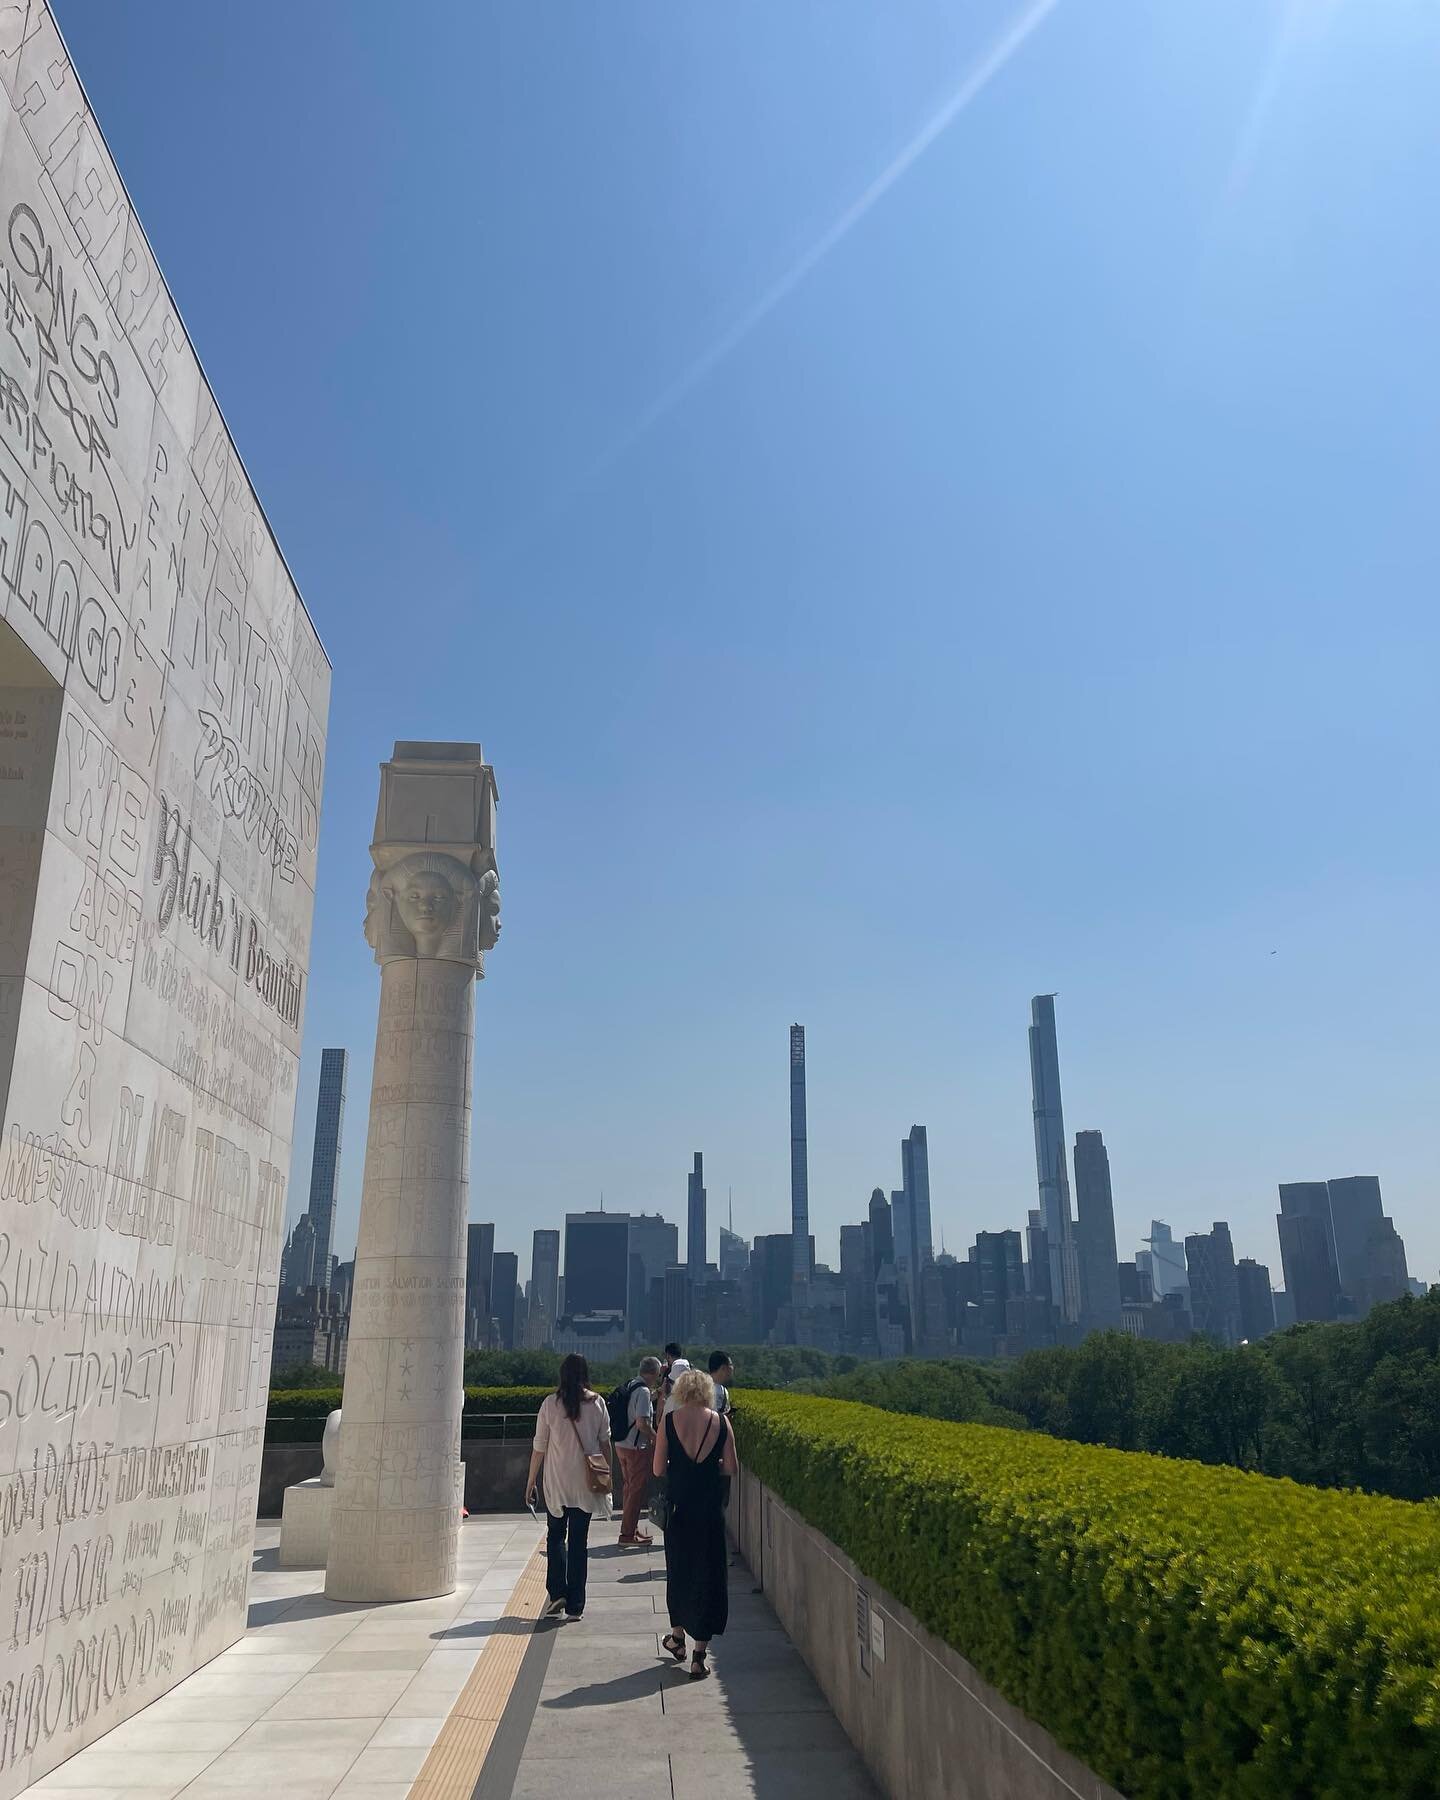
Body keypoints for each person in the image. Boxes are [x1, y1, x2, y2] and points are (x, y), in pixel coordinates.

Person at [653, 1365, 737, 1681]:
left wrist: (681, 1464)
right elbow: (731, 1467)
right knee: (708, 1576)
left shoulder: (669, 1421)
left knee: (679, 1572)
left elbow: (659, 1468)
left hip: (680, 1510)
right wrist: (709, 1464)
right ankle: (699, 1656)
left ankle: (677, 1637)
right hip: (710, 1511)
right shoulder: (721, 1422)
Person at [526, 1353, 611, 1620]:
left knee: (554, 1537)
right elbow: (605, 1443)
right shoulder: (597, 1403)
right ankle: (576, 1605)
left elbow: (539, 1448)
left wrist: (530, 1482)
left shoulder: (550, 1404)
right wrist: (608, 1477)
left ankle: (557, 1593)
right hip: (585, 1484)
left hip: (556, 1482)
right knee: (578, 1542)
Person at [616, 1355, 661, 1547]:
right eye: (658, 1374)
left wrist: (656, 1394)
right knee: (636, 1490)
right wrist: (656, 1438)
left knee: (629, 1488)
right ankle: (627, 1534)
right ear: (653, 1373)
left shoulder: (631, 1384)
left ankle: (630, 1529)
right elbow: (642, 1422)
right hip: (636, 1447)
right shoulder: (642, 1391)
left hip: (621, 1444)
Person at [707, 1350, 734, 1416]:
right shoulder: (720, 1391)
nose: (732, 1368)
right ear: (723, 1368)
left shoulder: (699, 1386)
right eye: (730, 1365)